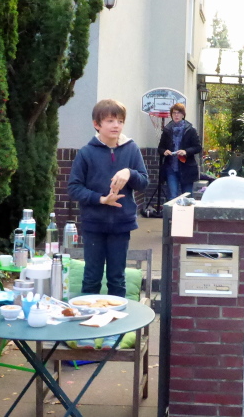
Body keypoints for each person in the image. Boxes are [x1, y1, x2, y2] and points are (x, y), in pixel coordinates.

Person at [68, 99, 149, 299]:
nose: (116, 126)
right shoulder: (86, 153)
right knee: (91, 277)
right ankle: (88, 318)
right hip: (93, 224)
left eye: (120, 121)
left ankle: (117, 319)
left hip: (121, 224)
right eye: (110, 121)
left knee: (117, 278)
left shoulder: (131, 149)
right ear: (97, 124)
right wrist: (101, 199)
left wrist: (129, 173)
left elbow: (143, 183)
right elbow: (74, 188)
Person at [157, 103, 201, 200]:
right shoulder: (167, 130)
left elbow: (198, 147)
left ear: (183, 115)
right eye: (174, 113)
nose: (176, 115)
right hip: (171, 168)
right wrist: (164, 152)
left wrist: (186, 152)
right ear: (171, 115)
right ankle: (173, 210)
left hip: (187, 168)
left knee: (187, 197)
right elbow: (160, 148)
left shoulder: (190, 130)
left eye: (179, 113)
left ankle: (186, 211)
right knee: (172, 197)